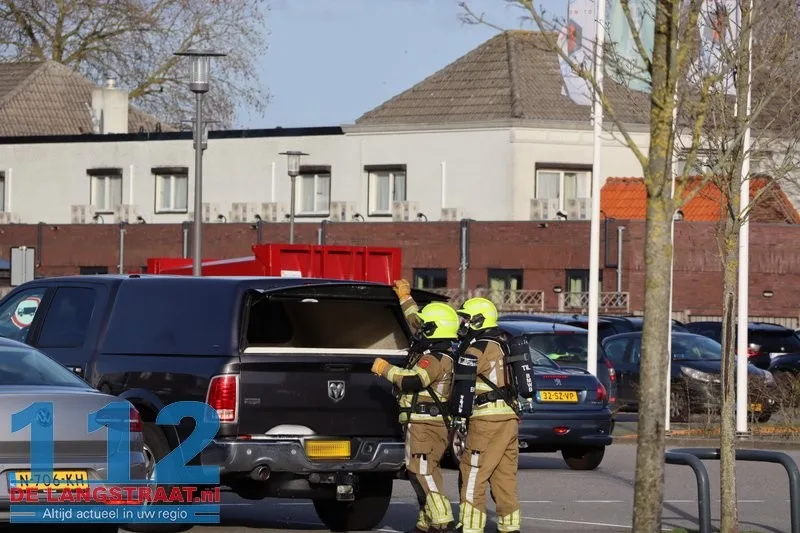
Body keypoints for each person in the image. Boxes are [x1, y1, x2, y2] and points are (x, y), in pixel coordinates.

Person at [371, 282, 458, 533]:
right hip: (426, 422)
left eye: (427, 326)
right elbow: (418, 322)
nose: (421, 329)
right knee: (426, 470)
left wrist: (384, 369)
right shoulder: (439, 348)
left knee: (421, 470)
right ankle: (426, 521)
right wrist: (405, 298)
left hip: (425, 423)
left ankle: (441, 521)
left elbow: (413, 380)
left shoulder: (434, 359)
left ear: (434, 329)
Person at [454, 297, 521, 533]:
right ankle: (510, 526)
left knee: (473, 472)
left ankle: (471, 527)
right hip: (509, 418)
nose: (463, 323)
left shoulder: (478, 347)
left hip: (486, 419)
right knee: (504, 477)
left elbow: (462, 382)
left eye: (467, 319)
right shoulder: (504, 343)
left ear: (478, 320)